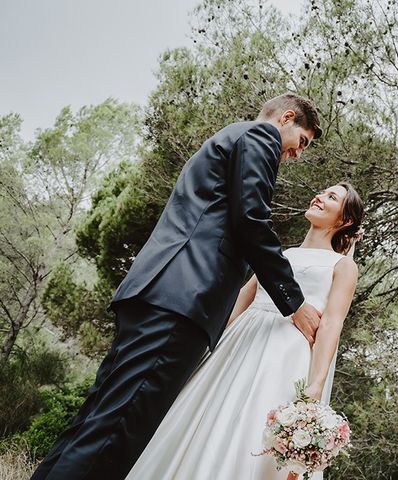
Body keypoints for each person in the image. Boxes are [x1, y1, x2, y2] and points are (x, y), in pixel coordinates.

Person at [31, 94, 323, 480]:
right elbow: (251, 221)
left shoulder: (230, 137)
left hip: (158, 293)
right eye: (301, 142)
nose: (297, 154)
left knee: (96, 421)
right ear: (286, 118)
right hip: (185, 300)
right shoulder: (260, 137)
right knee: (118, 432)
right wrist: (294, 302)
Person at [125, 182, 364, 479]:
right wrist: (208, 341)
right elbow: (243, 298)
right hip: (240, 343)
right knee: (208, 418)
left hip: (283, 358)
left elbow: (331, 323)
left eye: (332, 197)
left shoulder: (342, 266)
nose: (319, 196)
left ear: (345, 220)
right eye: (322, 192)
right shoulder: (283, 255)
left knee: (251, 430)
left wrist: (316, 384)